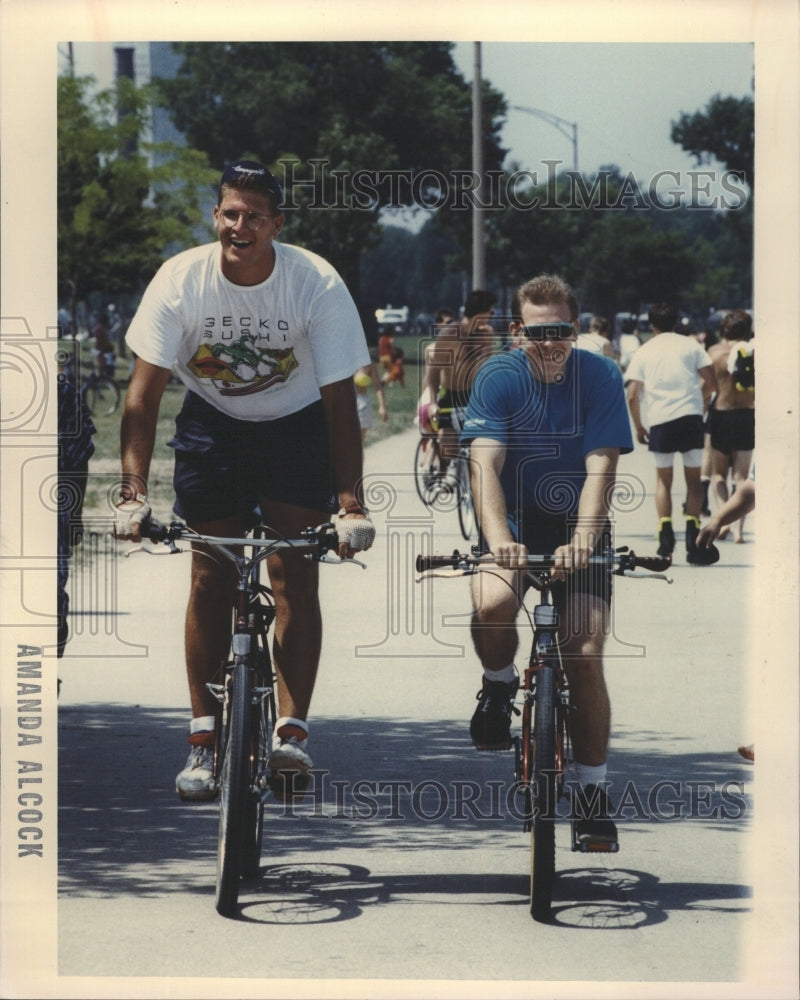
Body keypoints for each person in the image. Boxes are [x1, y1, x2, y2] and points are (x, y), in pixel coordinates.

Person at [113, 159, 375, 802]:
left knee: (293, 572)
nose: (240, 226)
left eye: (254, 216)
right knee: (209, 571)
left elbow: (341, 404)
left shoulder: (315, 281)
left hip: (296, 425)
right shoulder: (180, 280)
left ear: (276, 225)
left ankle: (290, 732)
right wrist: (132, 493)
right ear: (215, 217)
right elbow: (141, 399)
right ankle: (202, 739)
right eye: (230, 213)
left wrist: (349, 504)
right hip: (215, 423)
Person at [461, 273, 633, 846]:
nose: (550, 342)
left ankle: (591, 792)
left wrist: (584, 537)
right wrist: (496, 538)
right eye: (538, 332)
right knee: (492, 605)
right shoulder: (497, 376)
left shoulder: (601, 375)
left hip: (579, 524)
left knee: (583, 651)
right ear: (518, 331)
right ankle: (498, 683)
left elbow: (601, 467)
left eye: (561, 330)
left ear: (577, 329)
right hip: (510, 519)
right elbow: (484, 465)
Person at [625, 302, 718, 565]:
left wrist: (639, 426)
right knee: (693, 481)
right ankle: (693, 537)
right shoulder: (691, 346)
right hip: (690, 417)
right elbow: (712, 382)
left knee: (663, 481)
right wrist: (700, 400)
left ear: (651, 325)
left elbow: (633, 395)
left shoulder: (645, 350)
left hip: (661, 420)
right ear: (676, 322)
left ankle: (665, 538)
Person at [422, 290, 497, 477]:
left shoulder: (486, 335)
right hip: (450, 394)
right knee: (449, 445)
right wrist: (432, 403)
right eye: (491, 312)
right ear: (482, 313)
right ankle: (443, 472)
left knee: (481, 442)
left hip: (472, 395)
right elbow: (433, 373)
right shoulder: (449, 335)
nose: (491, 317)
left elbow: (486, 369)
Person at [705, 310, 755, 543]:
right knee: (742, 477)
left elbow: (707, 389)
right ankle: (738, 530)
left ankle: (722, 517)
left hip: (722, 414)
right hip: (747, 414)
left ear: (724, 330)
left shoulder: (714, 353)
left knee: (718, 475)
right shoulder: (754, 353)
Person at [354, 360, 388, 443]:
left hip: (362, 403)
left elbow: (378, 386)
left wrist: (382, 407)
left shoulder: (369, 364)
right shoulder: (346, 361)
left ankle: (358, 455)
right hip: (347, 402)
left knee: (359, 439)